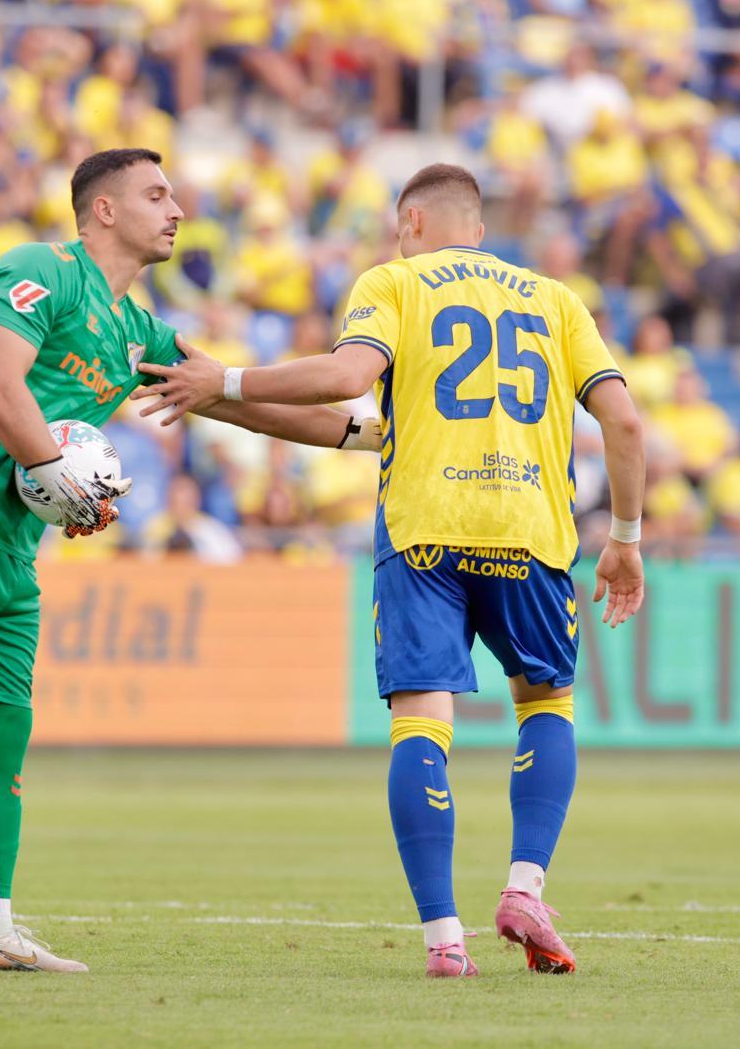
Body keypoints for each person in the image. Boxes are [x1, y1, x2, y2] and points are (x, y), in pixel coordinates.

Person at [0, 148, 384, 976]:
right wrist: (64, 481)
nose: (176, 208)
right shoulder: (39, 271)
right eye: (156, 193)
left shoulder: (139, 330)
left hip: (8, 540)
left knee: (4, 726)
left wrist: (373, 436)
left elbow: (239, 400)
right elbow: (1, 390)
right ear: (103, 210)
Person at [138, 162, 646, 978]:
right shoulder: (555, 299)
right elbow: (621, 417)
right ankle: (525, 886)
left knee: (421, 723)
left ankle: (443, 941)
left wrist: (223, 380)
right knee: (545, 701)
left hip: (424, 532)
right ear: (477, 228)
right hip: (531, 529)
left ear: (410, 222)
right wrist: (625, 534)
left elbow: (345, 381)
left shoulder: (398, 283)